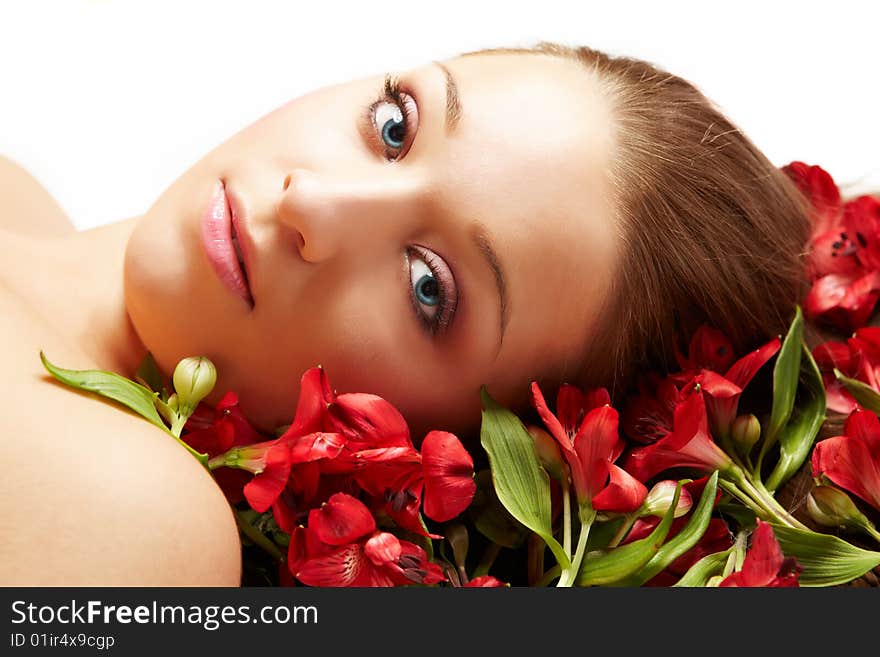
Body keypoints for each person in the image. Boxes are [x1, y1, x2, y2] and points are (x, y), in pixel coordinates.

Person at [0, 41, 812, 585]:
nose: (310, 204)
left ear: (442, 451)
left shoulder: (143, 530)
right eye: (395, 126)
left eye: (430, 287)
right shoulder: (18, 192)